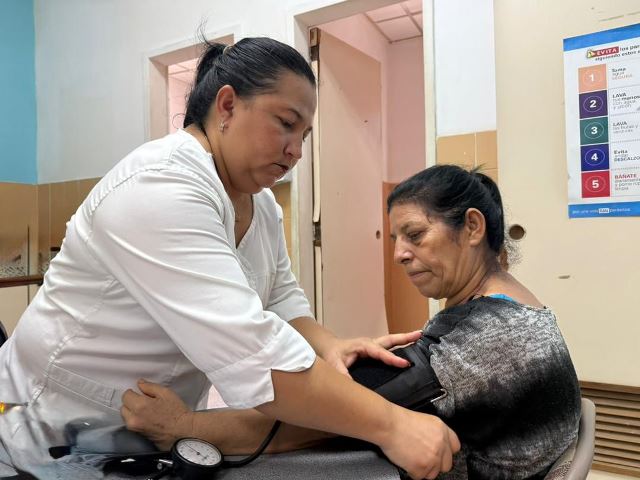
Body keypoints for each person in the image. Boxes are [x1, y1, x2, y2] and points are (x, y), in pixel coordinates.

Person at [0, 38, 459, 479]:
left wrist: (329, 345)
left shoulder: (261, 205)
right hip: (48, 426)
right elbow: (255, 354)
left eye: (304, 134)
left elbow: (280, 299)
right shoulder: (159, 186)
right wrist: (392, 425)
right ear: (227, 106)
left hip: (141, 434)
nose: (296, 150)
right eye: (286, 123)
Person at [122, 165, 581, 479]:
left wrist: (184, 425)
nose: (399, 254)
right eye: (396, 238)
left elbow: (309, 422)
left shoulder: (476, 344)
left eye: (415, 235)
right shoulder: (521, 307)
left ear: (473, 228)